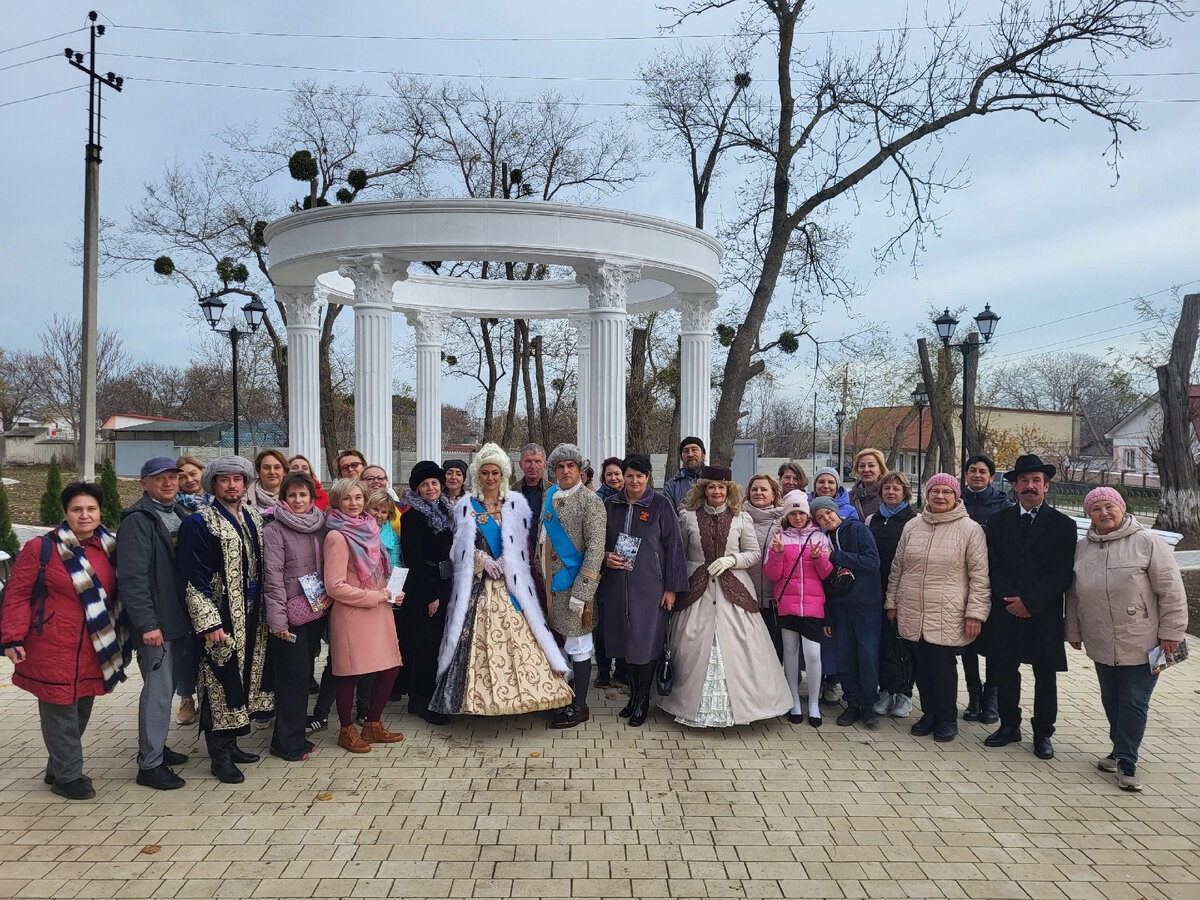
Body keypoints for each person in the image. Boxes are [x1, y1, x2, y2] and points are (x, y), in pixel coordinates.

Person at [1, 482, 131, 800]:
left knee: (80, 709)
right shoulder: (41, 548)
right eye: (76, 509)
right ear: (65, 513)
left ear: (101, 511)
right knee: (60, 710)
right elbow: (17, 595)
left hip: (94, 647)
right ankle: (69, 776)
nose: (84, 515)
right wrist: (11, 638)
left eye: (91, 509)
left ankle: (57, 767)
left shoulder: (112, 548)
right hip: (51, 645)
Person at [430, 442, 574, 717]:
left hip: (511, 586)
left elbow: (523, 545)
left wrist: (508, 560)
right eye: (485, 473)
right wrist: (483, 560)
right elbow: (457, 550)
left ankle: (534, 698)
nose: (490, 478)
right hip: (479, 587)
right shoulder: (465, 506)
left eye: (495, 472)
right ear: (478, 475)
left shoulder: (515, 505)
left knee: (525, 638)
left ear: (503, 474)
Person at [1066, 487, 1189, 791]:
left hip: (1146, 639)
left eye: (1109, 506)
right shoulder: (1083, 548)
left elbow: (1172, 591)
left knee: (1134, 700)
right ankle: (1118, 748)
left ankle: (1127, 760)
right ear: (1088, 515)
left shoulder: (1147, 542)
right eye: (1096, 509)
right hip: (1100, 638)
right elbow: (1074, 594)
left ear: (1121, 508)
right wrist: (1073, 630)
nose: (1104, 513)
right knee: (1111, 699)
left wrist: (1172, 633)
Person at [658, 466, 792, 727]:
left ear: (729, 490)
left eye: (722, 487)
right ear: (704, 489)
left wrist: (732, 559)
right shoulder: (687, 516)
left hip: (735, 589)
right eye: (711, 487)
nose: (717, 491)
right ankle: (686, 704)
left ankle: (748, 705)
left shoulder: (741, 517)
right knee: (690, 646)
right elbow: (678, 554)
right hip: (696, 590)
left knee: (742, 647)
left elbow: (753, 553)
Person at [177, 455, 271, 783]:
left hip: (252, 613)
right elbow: (191, 577)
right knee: (218, 680)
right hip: (221, 617)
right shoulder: (199, 521)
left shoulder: (253, 517)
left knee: (243, 677)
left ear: (245, 484)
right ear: (214, 484)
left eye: (237, 479)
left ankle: (231, 744)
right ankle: (218, 754)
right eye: (225, 479)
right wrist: (209, 622)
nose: (232, 485)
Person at [981, 454, 1077, 760]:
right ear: (1014, 486)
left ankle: (1043, 732)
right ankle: (1009, 725)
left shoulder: (1063, 525)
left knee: (1044, 676)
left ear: (1046, 486)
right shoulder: (998, 522)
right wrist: (1011, 600)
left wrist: (1031, 602)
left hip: (1043, 613)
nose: (1030, 486)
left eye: (1036, 481)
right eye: (1024, 481)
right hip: (1006, 610)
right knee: (1005, 670)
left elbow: (1061, 572)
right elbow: (992, 565)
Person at [885, 473, 990, 743]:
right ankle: (929, 713)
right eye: (935, 491)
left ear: (956, 496)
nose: (940, 497)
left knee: (942, 668)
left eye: (946, 492)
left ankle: (946, 718)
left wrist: (975, 614)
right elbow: (898, 568)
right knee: (920, 667)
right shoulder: (913, 526)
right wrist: (892, 602)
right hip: (912, 609)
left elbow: (979, 577)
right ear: (927, 494)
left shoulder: (970, 529)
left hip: (948, 611)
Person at [117, 456, 193, 791]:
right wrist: (147, 623)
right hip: (157, 625)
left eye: (172, 477)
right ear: (143, 483)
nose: (168, 483)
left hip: (179, 621)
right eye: (159, 478)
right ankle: (149, 766)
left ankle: (158, 746)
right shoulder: (138, 520)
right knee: (158, 694)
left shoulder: (179, 513)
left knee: (168, 689)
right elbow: (132, 579)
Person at [597, 453, 689, 726]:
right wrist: (604, 556)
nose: (634, 481)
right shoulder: (610, 504)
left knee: (645, 643)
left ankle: (643, 700)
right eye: (629, 476)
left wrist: (671, 588)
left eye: (639, 476)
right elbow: (597, 539)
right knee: (626, 642)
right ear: (622, 477)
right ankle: (632, 695)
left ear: (648, 477)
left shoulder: (660, 505)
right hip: (617, 585)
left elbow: (674, 547)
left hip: (650, 586)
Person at [323, 477, 405, 753]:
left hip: (379, 608)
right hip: (353, 613)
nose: (353, 504)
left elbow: (380, 568)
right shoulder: (336, 535)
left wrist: (391, 592)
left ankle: (372, 724)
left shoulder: (371, 527)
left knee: (390, 669)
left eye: (358, 498)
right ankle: (346, 730)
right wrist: (375, 596)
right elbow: (334, 585)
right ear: (337, 501)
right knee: (350, 674)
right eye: (347, 498)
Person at [537, 443, 608, 728]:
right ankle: (562, 697)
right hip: (549, 584)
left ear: (581, 471)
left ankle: (579, 706)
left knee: (578, 644)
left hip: (574, 584)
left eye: (571, 466)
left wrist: (583, 592)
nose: (565, 471)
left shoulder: (591, 502)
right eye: (560, 467)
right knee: (559, 642)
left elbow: (595, 550)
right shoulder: (550, 494)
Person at [262, 471, 327, 762]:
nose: (298, 500)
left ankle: (297, 734)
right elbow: (272, 577)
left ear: (312, 498)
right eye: (292, 495)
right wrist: (278, 621)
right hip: (288, 614)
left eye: (303, 495)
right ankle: (285, 742)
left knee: (304, 675)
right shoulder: (275, 529)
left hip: (315, 609)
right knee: (294, 677)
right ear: (283, 499)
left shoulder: (321, 524)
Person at [811, 494, 884, 728]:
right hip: (841, 607)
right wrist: (828, 616)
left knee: (867, 657)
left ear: (836, 511)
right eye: (820, 517)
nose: (826, 519)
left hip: (866, 606)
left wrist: (836, 556)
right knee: (845, 657)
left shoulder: (857, 530)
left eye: (828, 513)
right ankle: (851, 702)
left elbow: (872, 561)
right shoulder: (822, 540)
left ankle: (868, 705)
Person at [761, 491, 832, 727]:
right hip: (787, 604)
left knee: (813, 655)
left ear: (808, 512)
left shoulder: (820, 537)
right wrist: (777, 554)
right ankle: (794, 701)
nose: (798, 517)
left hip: (812, 606)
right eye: (793, 513)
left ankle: (813, 702)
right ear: (787, 514)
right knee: (790, 653)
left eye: (801, 512)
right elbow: (771, 574)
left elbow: (827, 574)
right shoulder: (779, 537)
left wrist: (819, 558)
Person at [399, 461, 455, 725]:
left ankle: (428, 696)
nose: (430, 488)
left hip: (447, 582)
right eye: (424, 484)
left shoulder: (448, 510)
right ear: (417, 489)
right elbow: (415, 559)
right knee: (425, 645)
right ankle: (421, 701)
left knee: (439, 642)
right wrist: (430, 593)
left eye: (434, 483)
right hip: (425, 586)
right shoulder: (412, 516)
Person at [959, 453, 1011, 724]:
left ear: (992, 477)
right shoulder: (958, 503)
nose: (976, 475)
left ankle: (991, 699)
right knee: (967, 643)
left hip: (992, 583)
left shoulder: (1003, 506)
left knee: (992, 645)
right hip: (961, 581)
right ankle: (974, 697)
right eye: (972, 471)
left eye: (982, 471)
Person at [868, 470, 918, 719]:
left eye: (896, 489)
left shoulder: (913, 521)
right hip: (876, 589)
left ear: (905, 492)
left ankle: (905, 693)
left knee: (903, 645)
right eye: (887, 488)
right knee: (883, 644)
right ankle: (886, 689)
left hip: (904, 590)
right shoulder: (873, 520)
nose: (891, 492)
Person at [173, 454, 207, 725]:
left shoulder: (215, 503)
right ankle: (186, 697)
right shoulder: (172, 508)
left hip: (214, 582)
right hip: (184, 584)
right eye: (181, 475)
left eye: (192, 473)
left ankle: (211, 696)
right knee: (186, 647)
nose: (188, 480)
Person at [745, 472, 786, 661]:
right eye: (754, 489)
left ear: (773, 493)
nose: (758, 493)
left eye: (764, 489)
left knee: (775, 649)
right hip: (746, 597)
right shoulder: (739, 518)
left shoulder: (785, 521)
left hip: (775, 599)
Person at [664, 436, 706, 510]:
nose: (690, 454)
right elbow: (669, 516)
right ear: (681, 458)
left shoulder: (714, 481)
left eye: (694, 450)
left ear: (703, 455)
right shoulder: (671, 486)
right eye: (686, 451)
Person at [245, 448, 288, 516]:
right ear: (259, 472)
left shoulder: (294, 497)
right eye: (266, 467)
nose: (272, 472)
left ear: (284, 472)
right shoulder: (243, 497)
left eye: (277, 467)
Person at [849, 448, 887, 520]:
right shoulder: (849, 497)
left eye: (871, 465)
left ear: (881, 469)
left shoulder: (888, 496)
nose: (866, 470)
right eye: (862, 466)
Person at [366, 490, 402, 567]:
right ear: (366, 508)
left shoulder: (393, 537)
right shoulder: (355, 529)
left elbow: (394, 565)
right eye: (375, 509)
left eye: (384, 512)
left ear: (389, 515)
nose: (379, 515)